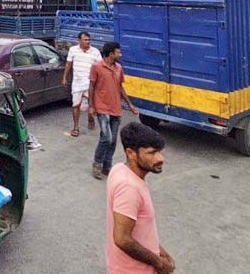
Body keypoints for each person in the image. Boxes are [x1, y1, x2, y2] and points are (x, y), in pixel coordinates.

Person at [106, 122, 173, 274]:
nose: (160, 158)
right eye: (152, 153)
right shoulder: (129, 188)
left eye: (160, 151)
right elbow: (122, 239)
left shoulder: (119, 169)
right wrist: (160, 263)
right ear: (131, 153)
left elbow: (140, 230)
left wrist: (160, 251)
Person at [90, 42, 139, 179]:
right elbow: (92, 87)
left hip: (116, 108)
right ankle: (97, 164)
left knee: (113, 140)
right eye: (118, 52)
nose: (120, 55)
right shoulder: (96, 67)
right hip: (102, 108)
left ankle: (107, 166)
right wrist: (91, 106)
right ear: (111, 54)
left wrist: (130, 105)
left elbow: (120, 88)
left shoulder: (119, 68)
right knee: (107, 137)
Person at [63, 31, 102, 137]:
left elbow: (100, 67)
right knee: (76, 105)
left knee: (92, 105)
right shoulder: (73, 50)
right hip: (77, 83)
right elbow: (68, 64)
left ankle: (90, 118)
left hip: (91, 84)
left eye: (89, 40)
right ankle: (76, 127)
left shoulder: (95, 52)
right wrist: (64, 78)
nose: (87, 42)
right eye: (85, 40)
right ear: (79, 40)